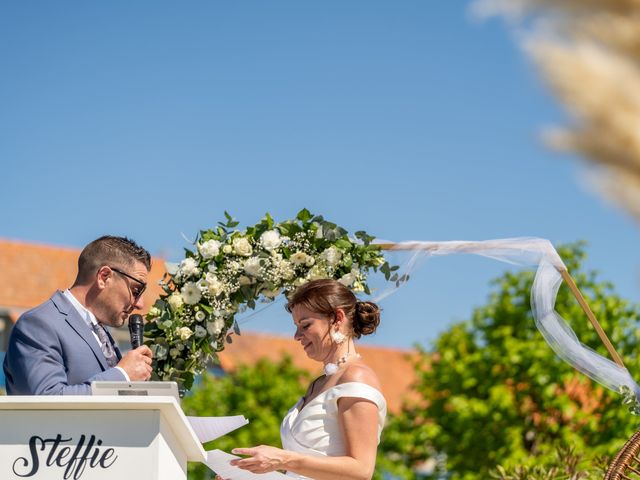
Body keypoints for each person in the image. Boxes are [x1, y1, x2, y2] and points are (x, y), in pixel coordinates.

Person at [225, 278, 387, 480]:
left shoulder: (357, 377)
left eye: (305, 325)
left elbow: (361, 470)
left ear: (337, 318)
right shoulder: (318, 383)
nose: (296, 335)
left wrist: (283, 459)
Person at [3, 235, 154, 395]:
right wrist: (122, 375)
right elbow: (47, 399)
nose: (140, 304)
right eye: (136, 290)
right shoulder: (38, 325)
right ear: (104, 277)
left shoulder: (102, 333)